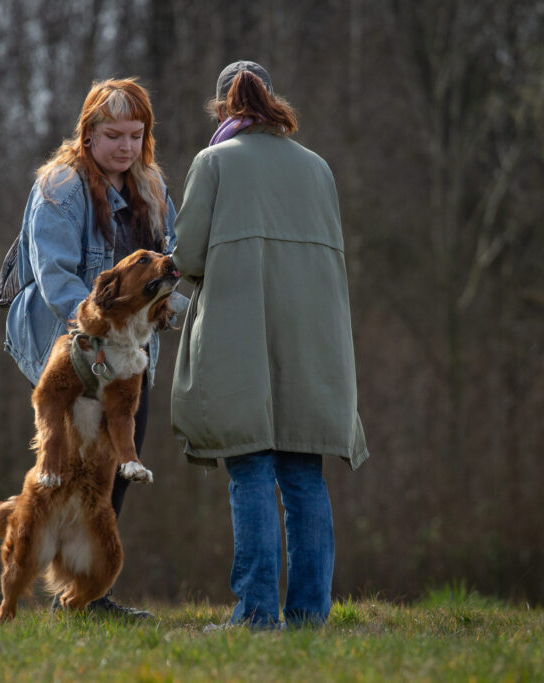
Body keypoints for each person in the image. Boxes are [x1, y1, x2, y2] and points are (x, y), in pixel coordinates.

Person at [170, 61, 369, 629]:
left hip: (240, 337)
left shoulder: (213, 162)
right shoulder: (317, 167)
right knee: (303, 475)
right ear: (270, 101)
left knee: (250, 467)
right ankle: (309, 618)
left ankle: (256, 616)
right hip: (313, 342)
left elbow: (187, 258)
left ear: (222, 108)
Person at [4, 77, 177, 618]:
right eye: (113, 135)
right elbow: (55, 277)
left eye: (135, 135)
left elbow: (171, 266)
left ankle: (85, 594)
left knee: (121, 461)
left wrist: (180, 311)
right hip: (71, 342)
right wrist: (95, 341)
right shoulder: (60, 186)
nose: (126, 147)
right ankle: (56, 583)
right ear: (88, 135)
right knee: (66, 469)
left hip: (131, 348)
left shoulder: (152, 187)